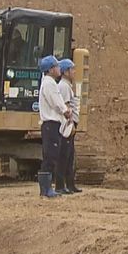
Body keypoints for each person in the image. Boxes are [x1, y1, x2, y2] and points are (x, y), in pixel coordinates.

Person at [38, 55, 71, 199]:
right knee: (50, 156)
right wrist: (65, 111)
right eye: (57, 66)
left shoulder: (47, 82)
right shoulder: (50, 84)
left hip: (50, 124)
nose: (59, 69)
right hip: (51, 123)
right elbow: (56, 101)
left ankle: (46, 188)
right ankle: (46, 189)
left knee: (51, 155)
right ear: (51, 69)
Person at [55, 58, 82, 195]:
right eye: (72, 69)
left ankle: (70, 184)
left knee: (69, 155)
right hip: (67, 125)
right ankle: (61, 185)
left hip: (70, 124)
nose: (74, 72)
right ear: (65, 71)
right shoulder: (64, 87)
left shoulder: (67, 85)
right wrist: (71, 123)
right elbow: (65, 107)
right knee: (64, 155)